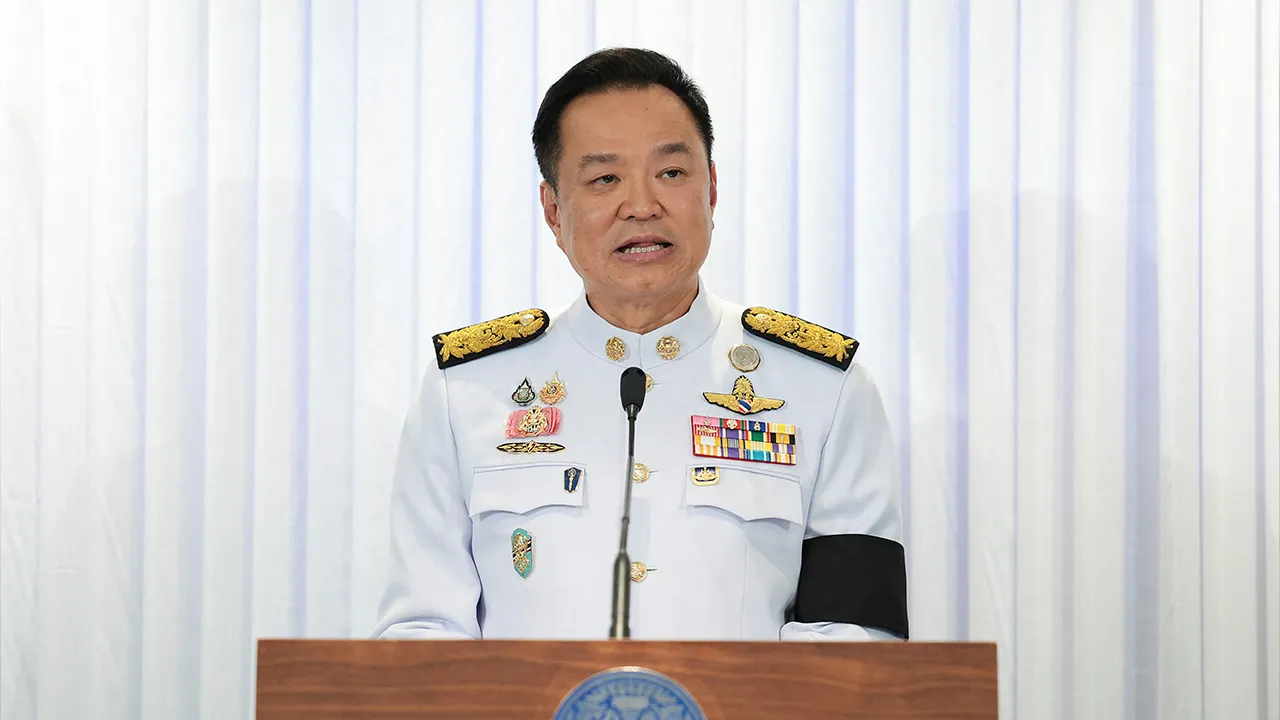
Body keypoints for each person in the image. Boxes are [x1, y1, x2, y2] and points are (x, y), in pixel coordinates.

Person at [372, 47, 907, 642]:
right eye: (604, 179)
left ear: (711, 192)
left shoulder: (823, 389)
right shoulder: (466, 392)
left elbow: (857, 638)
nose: (643, 205)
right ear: (553, 211)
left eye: (672, 173)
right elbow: (422, 631)